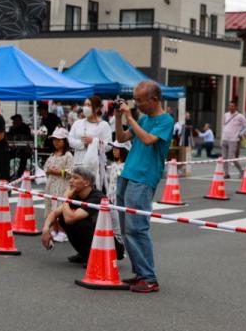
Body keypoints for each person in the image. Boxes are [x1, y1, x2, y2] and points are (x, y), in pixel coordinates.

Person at [113, 81, 175, 293]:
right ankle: (140, 272)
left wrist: (129, 116)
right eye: (135, 100)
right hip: (128, 174)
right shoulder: (144, 119)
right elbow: (122, 138)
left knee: (137, 227)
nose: (136, 104)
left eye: (140, 100)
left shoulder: (166, 120)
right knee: (125, 228)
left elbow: (148, 140)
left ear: (155, 99)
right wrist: (118, 117)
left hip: (143, 178)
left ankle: (149, 277)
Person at [42, 165, 106, 264]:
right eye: (71, 177)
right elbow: (54, 213)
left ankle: (93, 256)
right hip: (99, 236)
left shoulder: (97, 197)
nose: (70, 181)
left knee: (78, 222)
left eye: (75, 178)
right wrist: (46, 229)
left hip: (111, 243)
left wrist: (66, 198)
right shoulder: (77, 194)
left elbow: (70, 219)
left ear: (87, 183)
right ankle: (84, 253)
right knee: (62, 217)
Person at [68, 95, 113, 170]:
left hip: (96, 166)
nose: (85, 107)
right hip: (78, 163)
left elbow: (109, 145)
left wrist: (94, 141)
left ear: (97, 108)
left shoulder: (103, 125)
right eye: (85, 105)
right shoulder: (77, 123)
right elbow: (70, 140)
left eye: (89, 105)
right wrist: (82, 143)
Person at [42, 128, 74, 223]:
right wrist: (48, 171)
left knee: (59, 206)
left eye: (58, 140)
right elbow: (45, 167)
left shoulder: (68, 155)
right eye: (54, 140)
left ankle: (60, 229)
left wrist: (59, 172)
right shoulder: (52, 154)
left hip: (62, 186)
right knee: (50, 205)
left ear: (65, 141)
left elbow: (71, 171)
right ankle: (52, 227)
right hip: (51, 185)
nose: (55, 142)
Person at [221, 101, 246, 178]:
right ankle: (226, 173)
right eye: (230, 106)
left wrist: (241, 133)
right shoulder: (226, 114)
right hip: (225, 138)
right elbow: (224, 125)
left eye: (232, 106)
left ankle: (241, 170)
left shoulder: (240, 116)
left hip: (233, 139)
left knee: (232, 157)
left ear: (236, 107)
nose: (231, 107)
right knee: (224, 157)